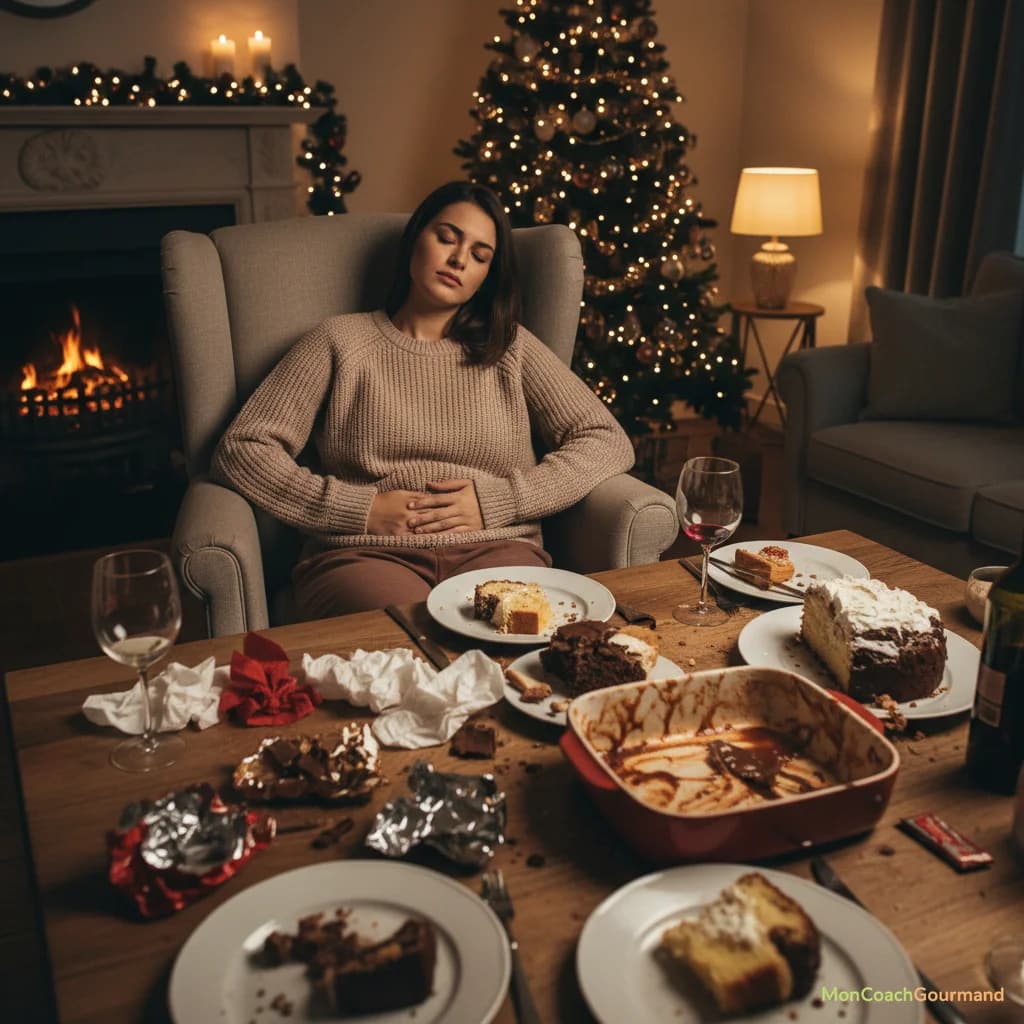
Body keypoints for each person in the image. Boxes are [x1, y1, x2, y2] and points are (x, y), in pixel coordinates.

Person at [211, 180, 635, 619]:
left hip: (496, 550)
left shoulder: (510, 348)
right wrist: (360, 509)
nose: (458, 259)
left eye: (479, 255)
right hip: (367, 557)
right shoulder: (338, 342)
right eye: (447, 237)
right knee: (405, 643)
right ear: (416, 239)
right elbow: (242, 449)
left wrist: (501, 501)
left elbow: (605, 439)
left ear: (487, 276)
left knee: (517, 646)